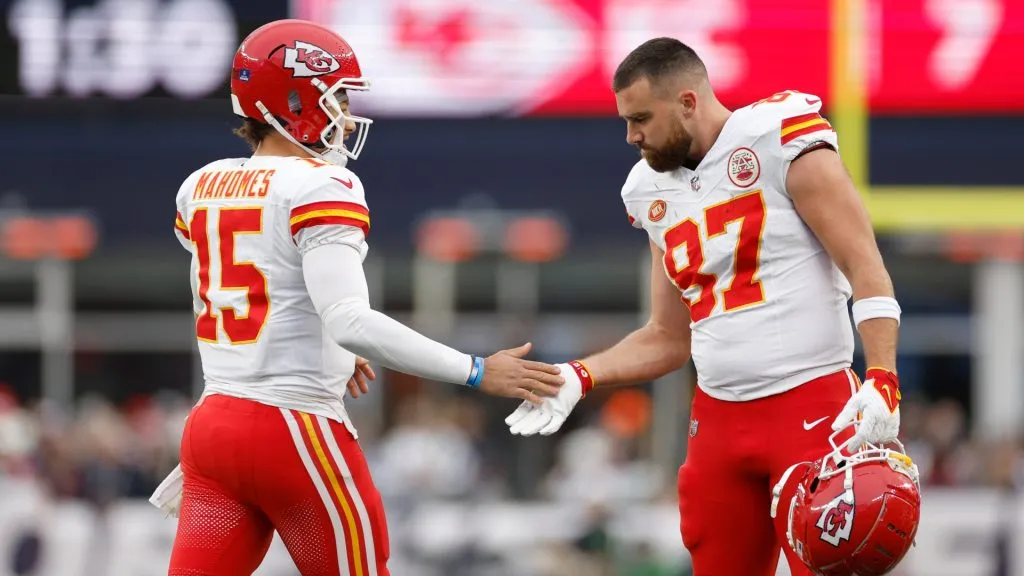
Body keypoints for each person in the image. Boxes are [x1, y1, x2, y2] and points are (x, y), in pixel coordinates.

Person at [154, 19, 564, 576]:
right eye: (335, 96)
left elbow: (262, 287)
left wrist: (322, 346)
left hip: (211, 427)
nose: (344, 114)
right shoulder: (322, 185)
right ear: (291, 100)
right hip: (292, 427)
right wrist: (475, 370)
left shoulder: (198, 186)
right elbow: (347, 319)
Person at [505, 37, 909, 575]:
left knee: (829, 564)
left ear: (689, 102)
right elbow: (668, 337)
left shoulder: (778, 138)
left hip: (809, 406)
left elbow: (867, 268)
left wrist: (882, 374)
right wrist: (581, 375)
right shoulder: (648, 190)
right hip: (717, 420)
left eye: (642, 118)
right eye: (626, 120)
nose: (631, 135)